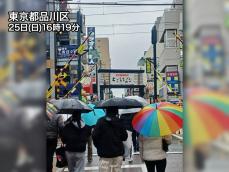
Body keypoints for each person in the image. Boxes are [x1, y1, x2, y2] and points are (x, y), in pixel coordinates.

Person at [92, 108, 128, 172]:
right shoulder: (119, 121)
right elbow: (125, 137)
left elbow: (95, 136)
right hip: (118, 153)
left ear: (106, 111)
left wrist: (99, 147)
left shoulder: (100, 121)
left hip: (104, 154)